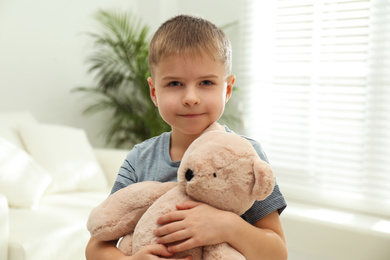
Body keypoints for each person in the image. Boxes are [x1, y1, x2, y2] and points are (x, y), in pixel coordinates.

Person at [86, 14, 288, 260]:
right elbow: (95, 247)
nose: (191, 97)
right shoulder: (140, 159)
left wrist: (227, 226)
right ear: (154, 91)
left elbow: (277, 252)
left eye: (205, 82)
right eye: (174, 84)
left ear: (227, 89)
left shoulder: (245, 154)